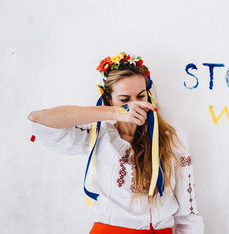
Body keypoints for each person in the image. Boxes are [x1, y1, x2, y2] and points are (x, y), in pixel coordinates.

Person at [27, 52, 205, 234]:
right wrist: (114, 113)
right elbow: (38, 120)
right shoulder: (98, 135)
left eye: (141, 96)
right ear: (108, 101)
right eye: (125, 100)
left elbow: (188, 214)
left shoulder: (172, 138)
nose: (135, 105)